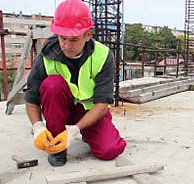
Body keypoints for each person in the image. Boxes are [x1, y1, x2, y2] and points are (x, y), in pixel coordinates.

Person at [25, 0, 127, 167]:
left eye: (73, 39)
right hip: (59, 111)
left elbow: (102, 105)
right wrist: (38, 127)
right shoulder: (46, 55)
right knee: (52, 85)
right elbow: (32, 99)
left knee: (110, 149)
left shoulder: (102, 55)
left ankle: (85, 130)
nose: (66, 45)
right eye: (62, 38)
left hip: (90, 111)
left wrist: (74, 132)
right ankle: (57, 147)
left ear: (88, 35)